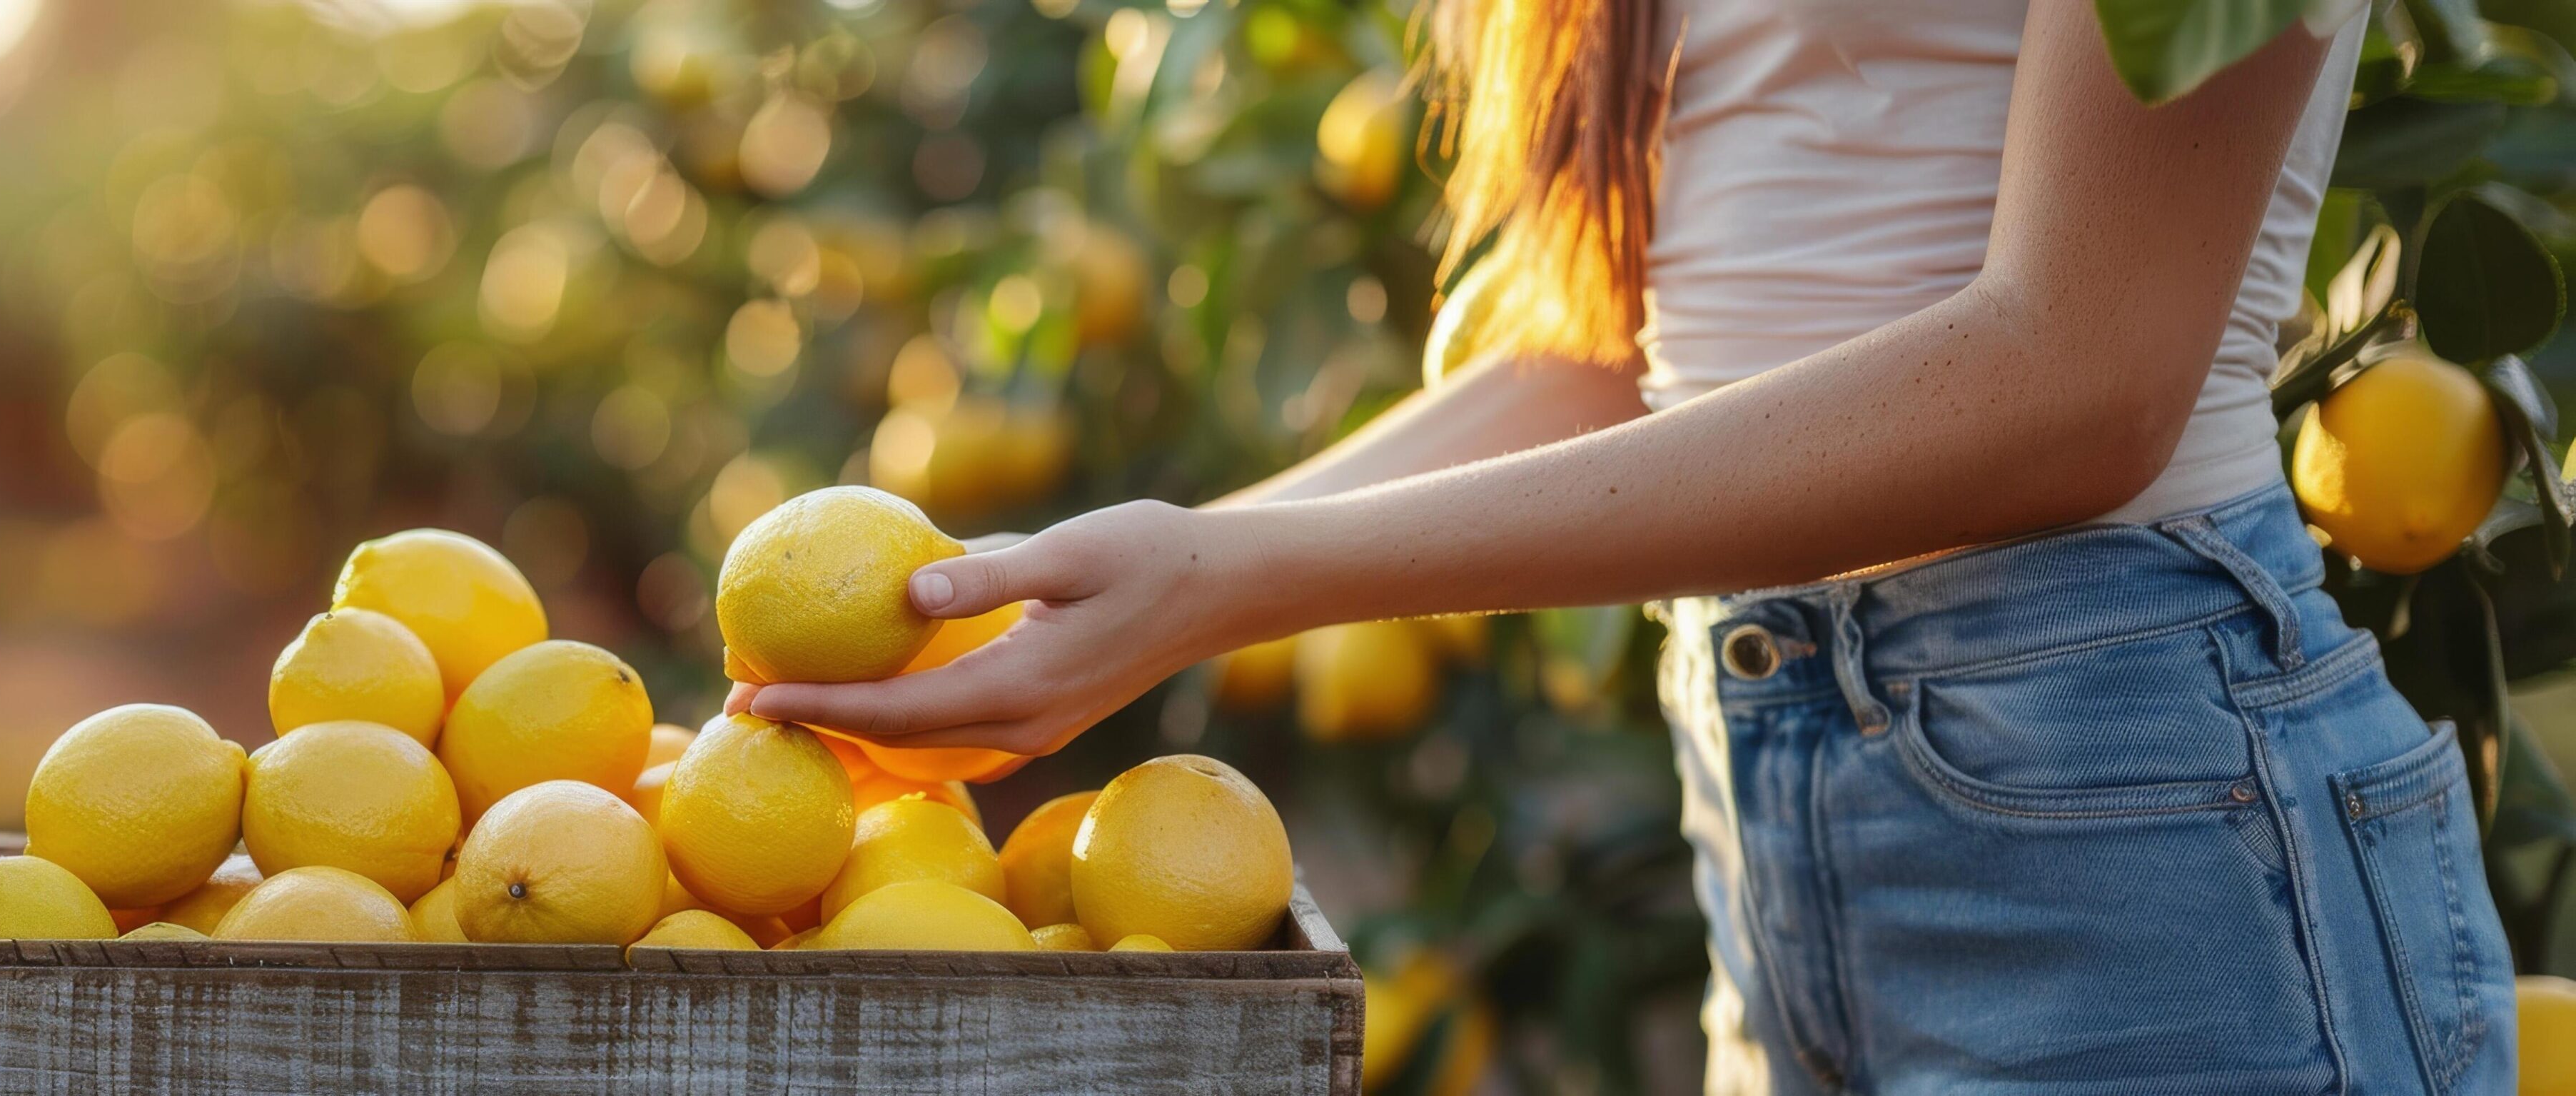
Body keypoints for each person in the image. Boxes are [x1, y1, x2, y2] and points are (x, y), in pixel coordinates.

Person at [734, 0, 2520, 1090]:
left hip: (2127, 775)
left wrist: (1225, 584)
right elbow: (1620, 359)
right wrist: (1133, 577)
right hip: (1776, 777)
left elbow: (2080, 376)